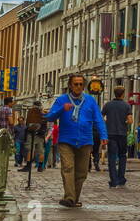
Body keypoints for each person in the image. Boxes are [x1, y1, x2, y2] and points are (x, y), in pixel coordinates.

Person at [43, 74, 107, 208]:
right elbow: (49, 117)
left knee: (82, 172)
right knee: (68, 167)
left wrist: (103, 136)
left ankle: (74, 199)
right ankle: (70, 197)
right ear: (70, 86)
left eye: (80, 84)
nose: (78, 87)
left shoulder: (90, 100)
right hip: (66, 140)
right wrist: (62, 109)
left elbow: (98, 119)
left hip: (85, 140)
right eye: (75, 84)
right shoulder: (62, 100)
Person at [102, 86, 131, 188]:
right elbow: (130, 120)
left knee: (112, 157)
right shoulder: (126, 106)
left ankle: (113, 180)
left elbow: (101, 117)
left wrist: (107, 122)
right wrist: (125, 122)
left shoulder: (108, 105)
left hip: (111, 134)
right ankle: (121, 178)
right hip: (122, 134)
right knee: (122, 156)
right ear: (123, 94)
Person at [22, 106, 46, 173]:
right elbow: (45, 127)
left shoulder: (32, 114)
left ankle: (28, 166)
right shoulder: (43, 116)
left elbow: (28, 126)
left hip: (32, 134)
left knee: (30, 150)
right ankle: (40, 167)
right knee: (41, 151)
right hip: (41, 135)